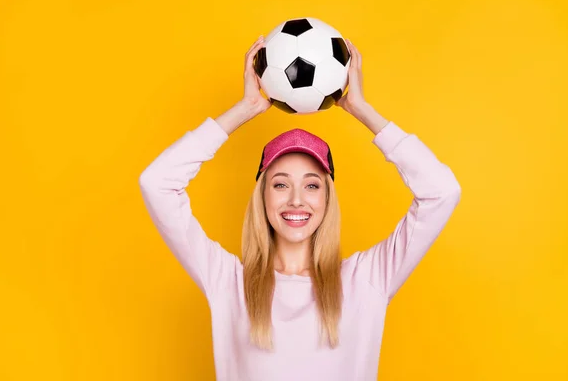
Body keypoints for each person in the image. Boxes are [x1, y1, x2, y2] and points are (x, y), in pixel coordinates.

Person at [139, 35, 462, 380]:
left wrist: (362, 109)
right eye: (280, 184)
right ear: (262, 196)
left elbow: (441, 191)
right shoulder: (228, 283)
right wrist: (243, 110)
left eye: (311, 185)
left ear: (327, 199)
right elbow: (156, 182)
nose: (296, 199)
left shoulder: (366, 281)